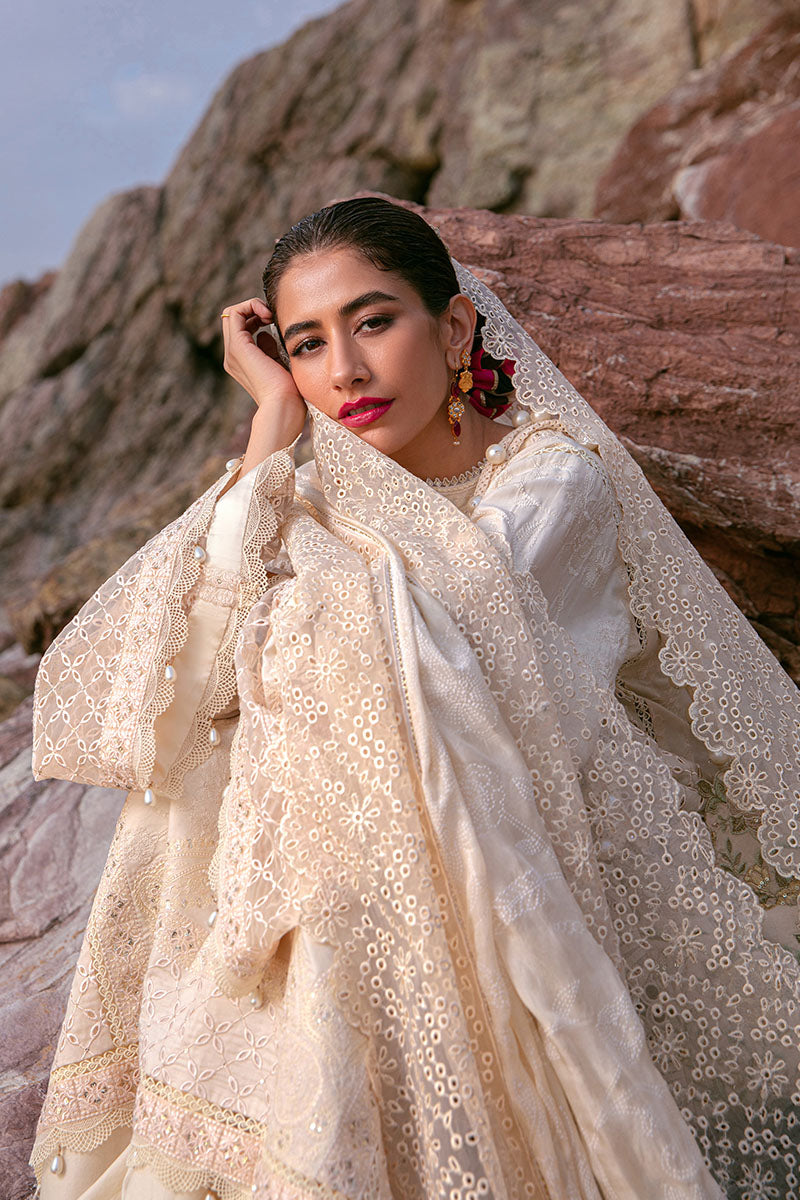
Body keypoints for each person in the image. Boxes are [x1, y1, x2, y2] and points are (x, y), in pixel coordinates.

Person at [29, 197, 800, 1200]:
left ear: (453, 328)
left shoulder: (550, 480)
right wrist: (270, 427)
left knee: (335, 742)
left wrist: (277, 598)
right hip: (343, 853)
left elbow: (433, 652)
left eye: (374, 321)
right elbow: (172, 704)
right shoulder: (311, 499)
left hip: (516, 847)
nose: (345, 370)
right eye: (307, 345)